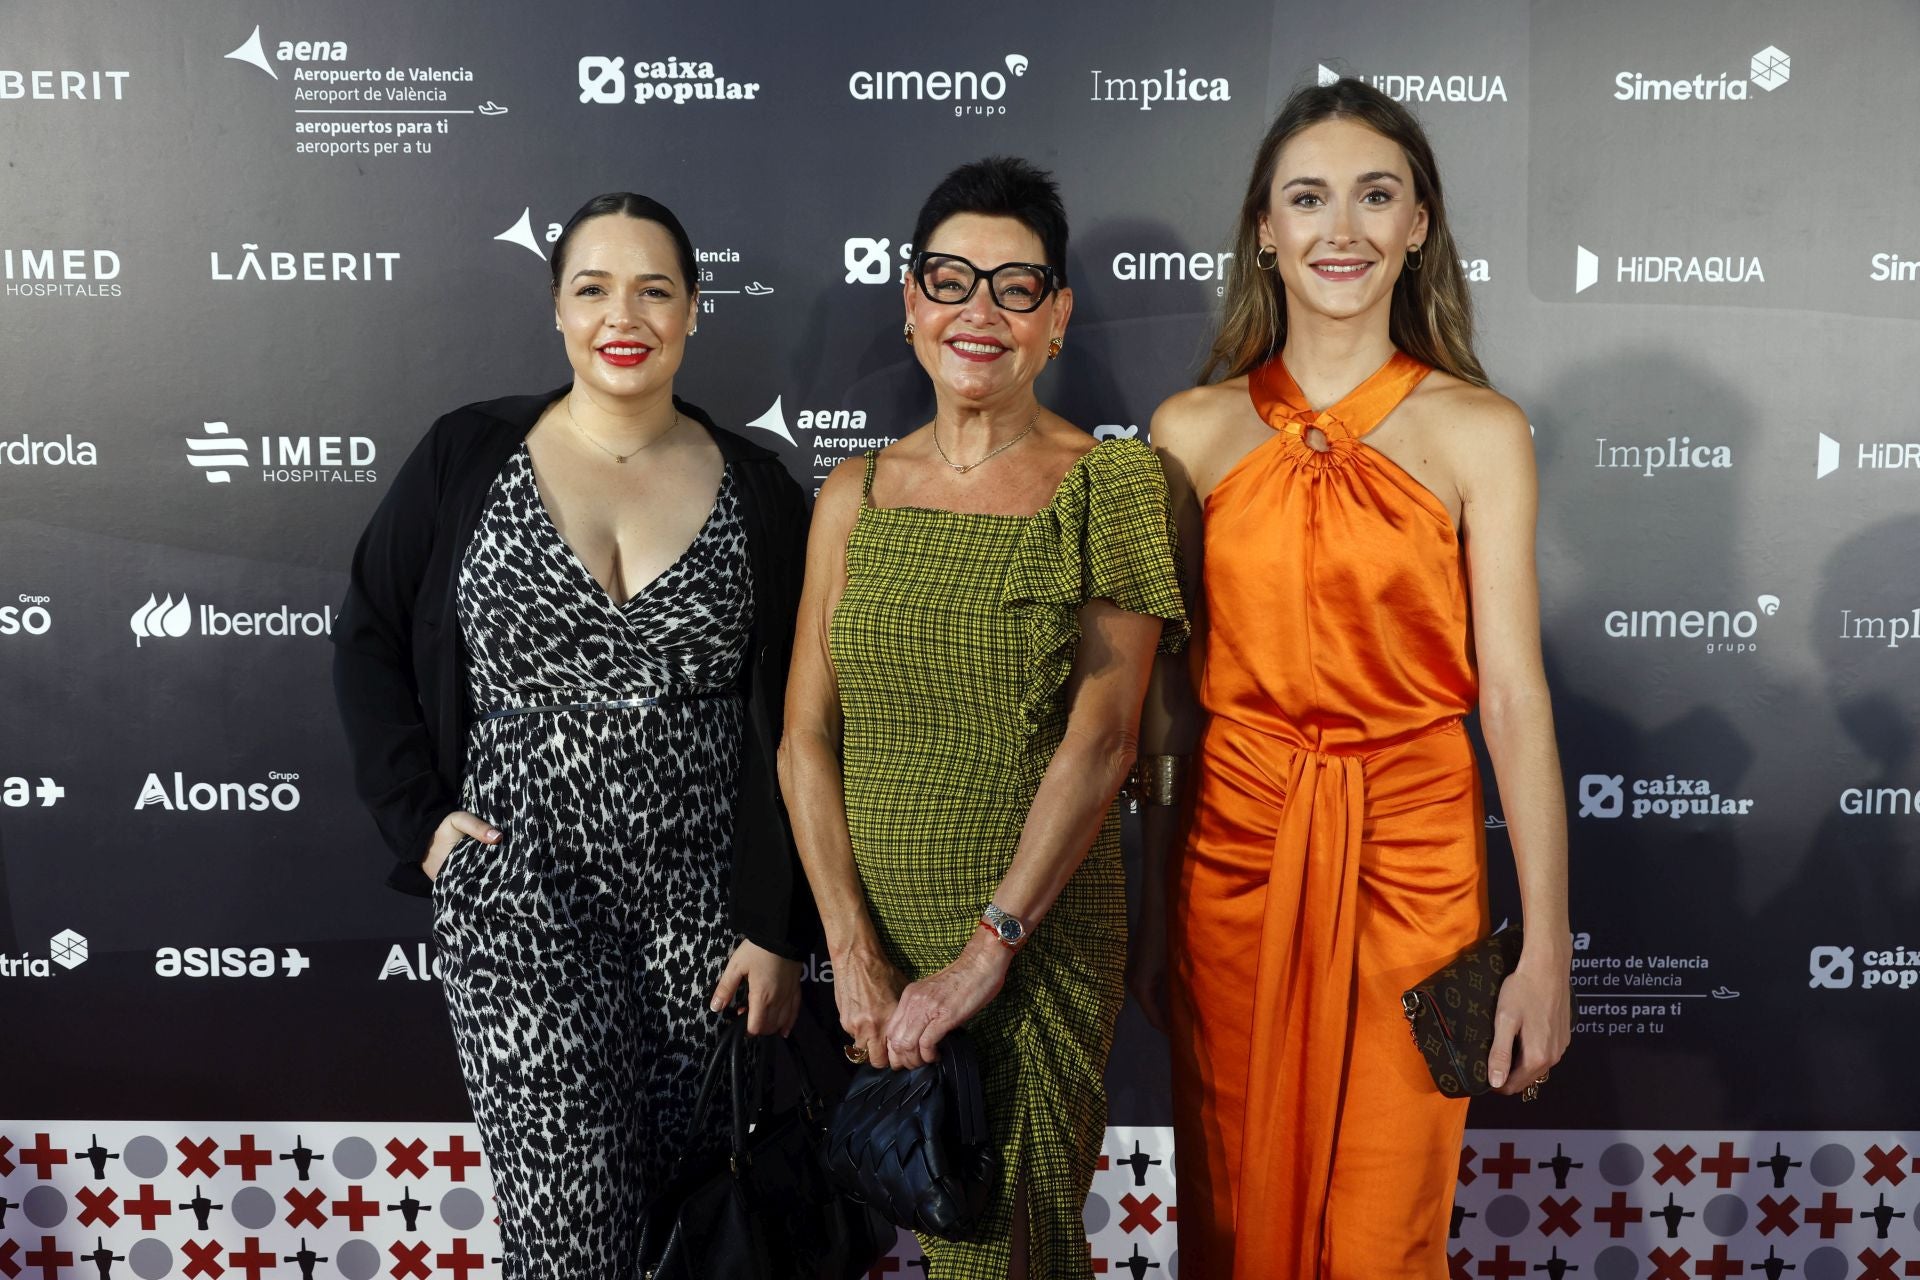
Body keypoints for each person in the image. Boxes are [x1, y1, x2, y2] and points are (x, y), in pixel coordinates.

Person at [1131, 80, 1573, 1278]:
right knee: (1230, 1209)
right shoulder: (1189, 430)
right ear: (1264, 230)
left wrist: (1546, 947)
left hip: (1418, 869)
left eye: (1376, 196)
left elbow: (1513, 697)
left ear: (1418, 225)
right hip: (1232, 858)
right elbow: (1168, 699)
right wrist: (1156, 898)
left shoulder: (1481, 430)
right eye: (1309, 198)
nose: (1343, 229)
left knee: (1387, 1226)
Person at [331, 192, 815, 1279]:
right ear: (557, 308)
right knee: (571, 1239)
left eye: (654, 289)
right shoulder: (468, 454)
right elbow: (368, 635)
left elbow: (800, 720)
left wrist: (778, 925)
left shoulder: (761, 491)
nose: (622, 316)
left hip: (709, 917)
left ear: (694, 309)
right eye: (593, 288)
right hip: (522, 897)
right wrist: (421, 821)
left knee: (696, 1232)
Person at [779, 157, 1186, 1280]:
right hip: (880, 949)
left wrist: (984, 955)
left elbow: (1103, 742)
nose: (980, 310)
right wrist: (852, 952)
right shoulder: (852, 493)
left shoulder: (1111, 485)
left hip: (1032, 945)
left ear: (1057, 318)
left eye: (1017, 287)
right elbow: (806, 736)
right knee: (936, 1232)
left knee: (1016, 1248)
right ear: (911, 302)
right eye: (952, 280)